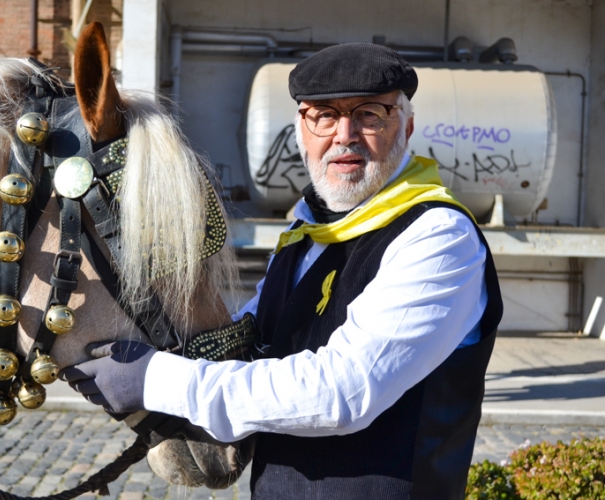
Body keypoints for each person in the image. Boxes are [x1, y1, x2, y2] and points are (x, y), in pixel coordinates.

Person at [61, 43, 503, 499]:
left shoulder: (438, 236)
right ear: (301, 131)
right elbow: (256, 340)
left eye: (371, 114)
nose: (344, 134)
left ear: (406, 127)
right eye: (324, 116)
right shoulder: (307, 227)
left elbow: (342, 392)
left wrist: (155, 380)